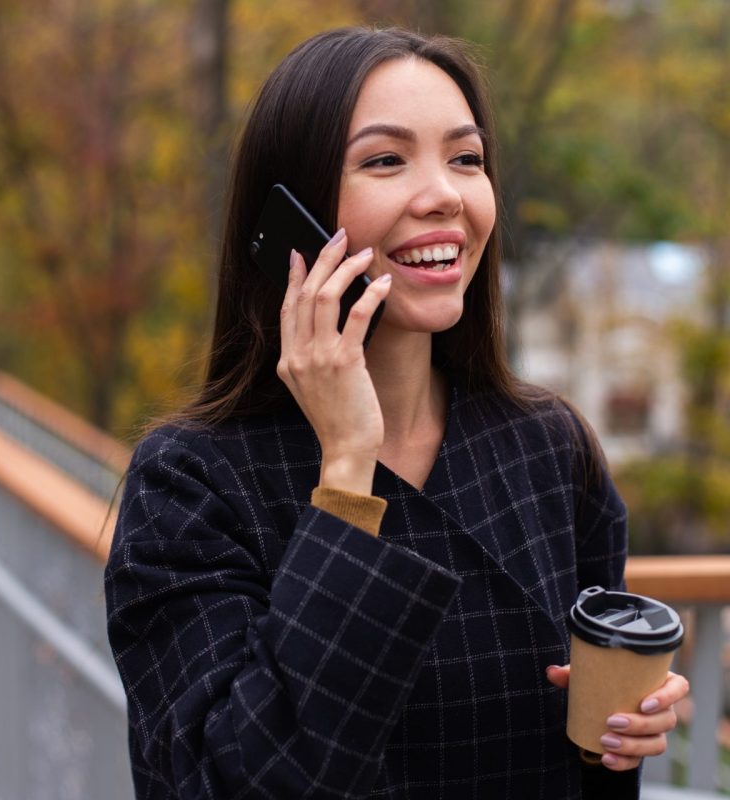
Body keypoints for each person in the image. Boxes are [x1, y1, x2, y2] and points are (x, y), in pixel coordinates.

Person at [104, 26, 689, 800]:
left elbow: (584, 763)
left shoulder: (548, 451)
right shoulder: (192, 484)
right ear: (292, 216)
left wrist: (618, 739)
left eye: (466, 158)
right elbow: (235, 782)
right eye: (385, 159)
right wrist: (348, 468)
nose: (444, 193)